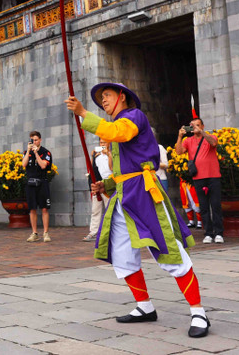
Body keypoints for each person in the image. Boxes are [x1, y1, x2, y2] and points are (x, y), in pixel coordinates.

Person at [67, 84, 209, 338]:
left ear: (122, 97)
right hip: (124, 196)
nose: (104, 101)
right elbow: (125, 171)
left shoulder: (133, 117)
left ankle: (198, 312)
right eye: (101, 99)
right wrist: (107, 183)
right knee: (122, 254)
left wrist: (83, 113)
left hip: (145, 195)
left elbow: (117, 133)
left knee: (168, 250)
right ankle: (144, 307)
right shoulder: (119, 124)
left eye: (107, 96)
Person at [175, 118, 223, 244]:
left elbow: (213, 143)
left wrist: (202, 132)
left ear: (202, 125)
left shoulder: (210, 136)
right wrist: (180, 136)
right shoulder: (188, 141)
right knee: (203, 206)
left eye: (197, 125)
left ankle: (218, 233)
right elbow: (179, 152)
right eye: (192, 126)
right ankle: (208, 233)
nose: (194, 127)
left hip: (213, 176)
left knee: (216, 205)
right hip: (198, 178)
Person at [22, 131, 53, 242]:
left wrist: (36, 153)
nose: (34, 142)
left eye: (35, 140)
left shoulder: (46, 153)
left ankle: (45, 233)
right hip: (30, 184)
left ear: (40, 140)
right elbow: (24, 164)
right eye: (32, 140)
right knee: (32, 209)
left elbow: (43, 165)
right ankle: (34, 232)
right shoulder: (27, 152)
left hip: (42, 183)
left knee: (44, 208)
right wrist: (29, 151)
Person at [84, 140, 112, 242]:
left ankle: (111, 233)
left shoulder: (114, 153)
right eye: (101, 143)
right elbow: (92, 169)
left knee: (110, 210)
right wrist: (93, 156)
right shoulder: (97, 155)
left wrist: (109, 154)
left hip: (110, 184)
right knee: (95, 210)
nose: (102, 144)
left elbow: (111, 168)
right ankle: (93, 232)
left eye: (105, 142)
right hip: (98, 184)